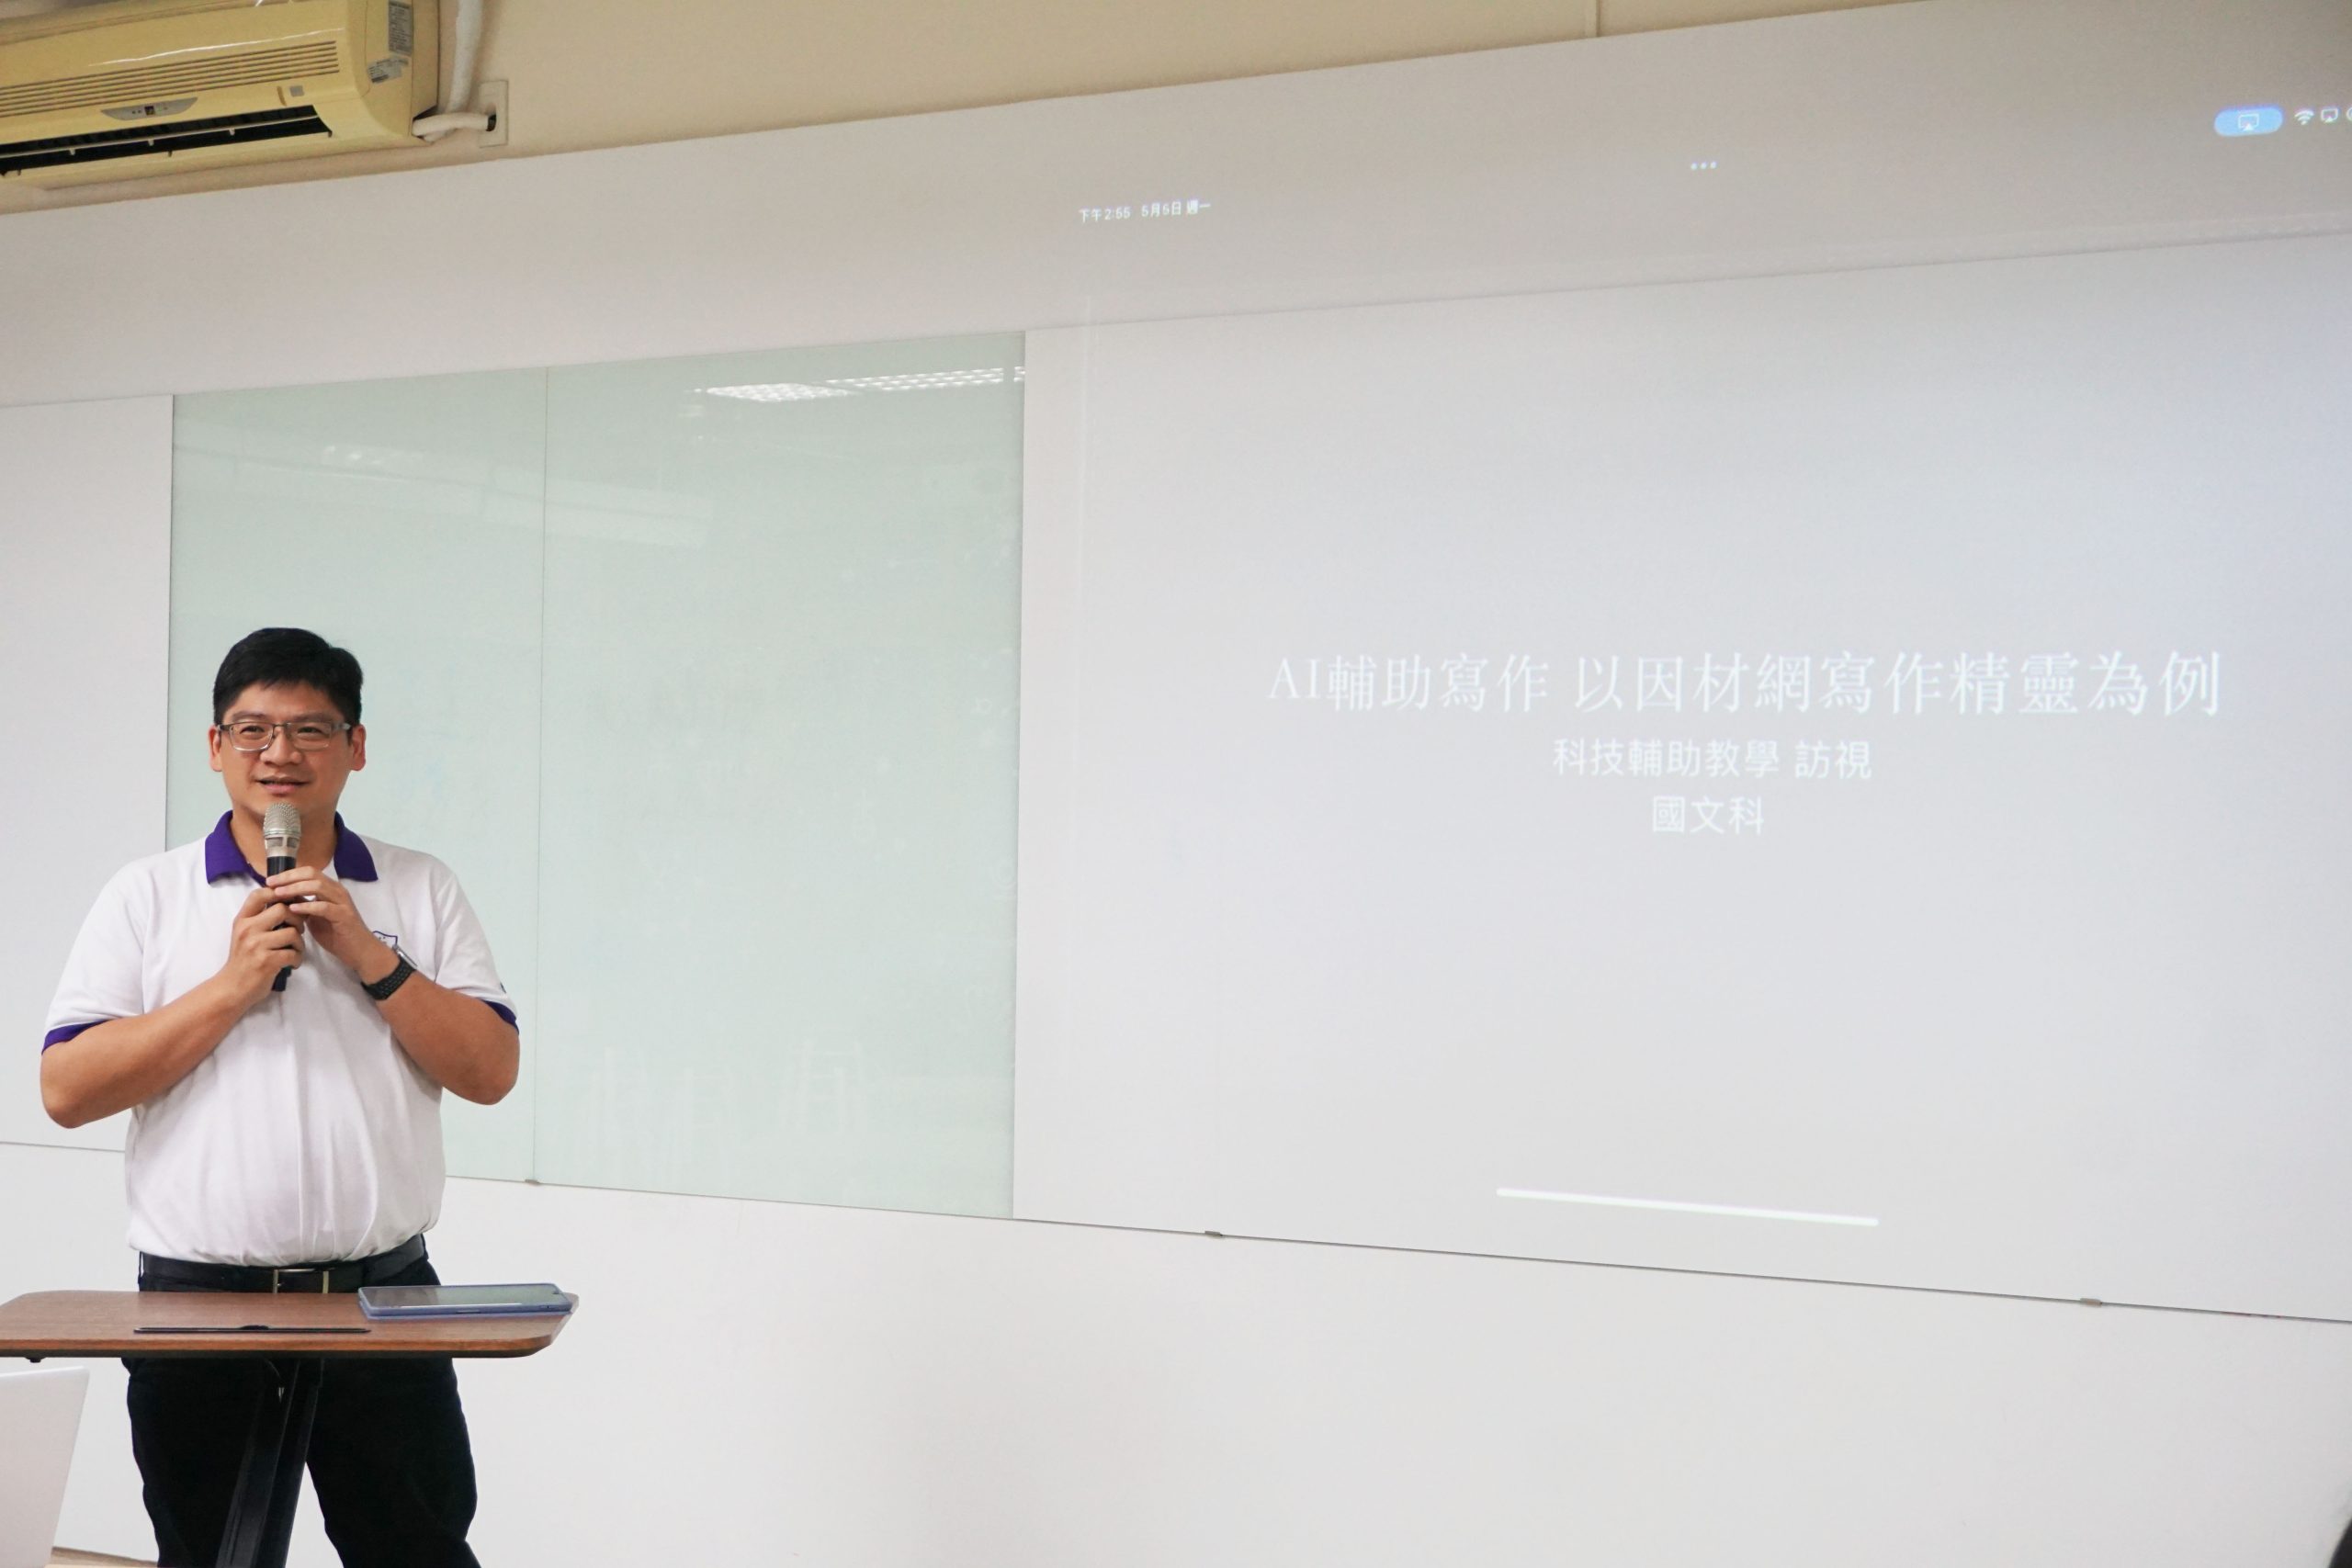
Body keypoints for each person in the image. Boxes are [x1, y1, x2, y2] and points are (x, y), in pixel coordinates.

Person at [40, 627, 519, 1568]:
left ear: (356, 746)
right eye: (253, 729)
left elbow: (490, 1071)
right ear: (215, 746)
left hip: (383, 1298)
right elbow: (66, 1088)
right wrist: (230, 986)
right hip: (195, 1306)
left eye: (310, 729)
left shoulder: (420, 887)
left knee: (417, 1551)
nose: (280, 753)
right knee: (210, 1554)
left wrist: (370, 955)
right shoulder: (147, 895)